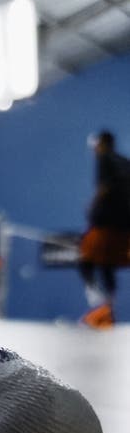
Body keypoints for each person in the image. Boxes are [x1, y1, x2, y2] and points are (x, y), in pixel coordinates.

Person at [79, 131, 130, 328]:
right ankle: (107, 311)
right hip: (125, 225)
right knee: (108, 265)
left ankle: (101, 308)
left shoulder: (104, 159)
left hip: (106, 223)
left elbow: (105, 187)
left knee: (87, 261)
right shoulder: (125, 161)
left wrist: (94, 206)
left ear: (102, 144)